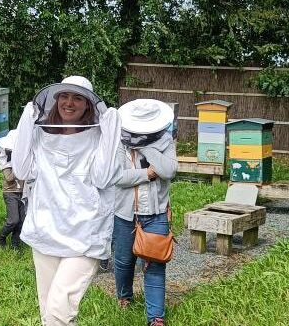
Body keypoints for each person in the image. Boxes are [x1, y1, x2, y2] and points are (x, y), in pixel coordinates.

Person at [12, 76, 122, 326]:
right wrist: (26, 123)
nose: (69, 102)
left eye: (77, 97)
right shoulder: (41, 136)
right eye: (64, 96)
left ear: (87, 105)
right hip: (45, 232)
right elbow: (21, 170)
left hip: (85, 237)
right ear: (55, 99)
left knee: (58, 313)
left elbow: (103, 178)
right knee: (47, 312)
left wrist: (110, 130)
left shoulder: (98, 138)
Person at [110, 99, 178, 326]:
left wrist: (146, 146)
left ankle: (155, 318)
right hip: (124, 213)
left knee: (155, 263)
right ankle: (124, 296)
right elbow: (118, 177)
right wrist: (148, 174)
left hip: (156, 213)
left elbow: (168, 170)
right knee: (123, 260)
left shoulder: (165, 140)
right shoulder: (119, 141)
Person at [0, 129, 26, 250]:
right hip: (10, 193)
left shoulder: (23, 161)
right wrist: (19, 167)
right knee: (13, 220)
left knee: (22, 220)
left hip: (23, 193)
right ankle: (1, 236)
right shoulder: (5, 163)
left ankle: (15, 244)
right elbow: (9, 178)